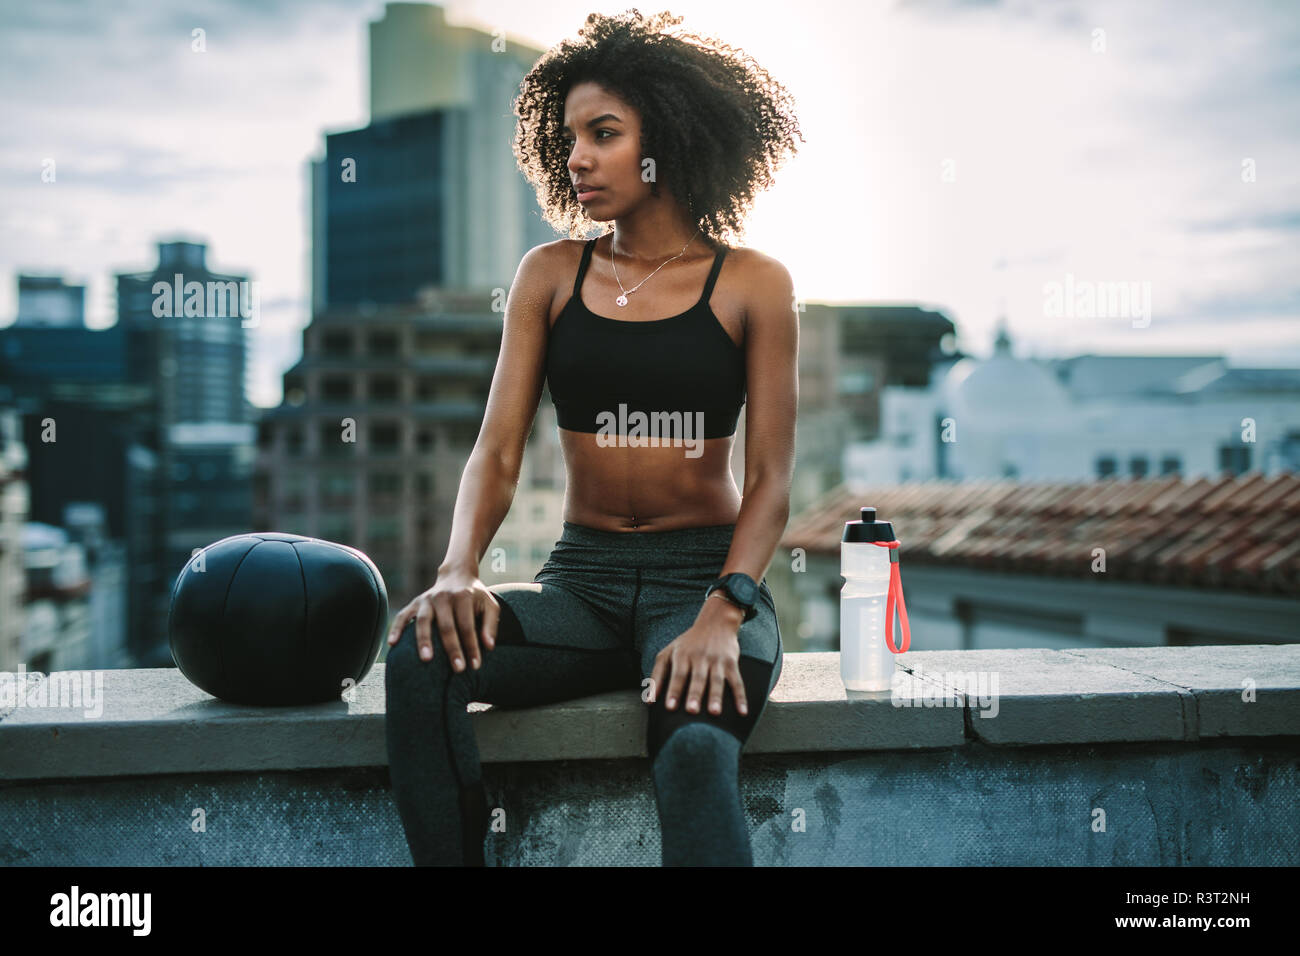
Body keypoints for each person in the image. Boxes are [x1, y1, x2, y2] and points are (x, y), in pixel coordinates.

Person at [383, 9, 803, 866]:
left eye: (603, 134)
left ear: (671, 138)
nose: (577, 157)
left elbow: (770, 480)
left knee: (692, 750)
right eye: (570, 137)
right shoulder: (549, 274)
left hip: (703, 583)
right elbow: (496, 451)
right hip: (581, 586)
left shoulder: (753, 284)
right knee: (420, 658)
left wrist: (726, 610)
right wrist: (458, 569)